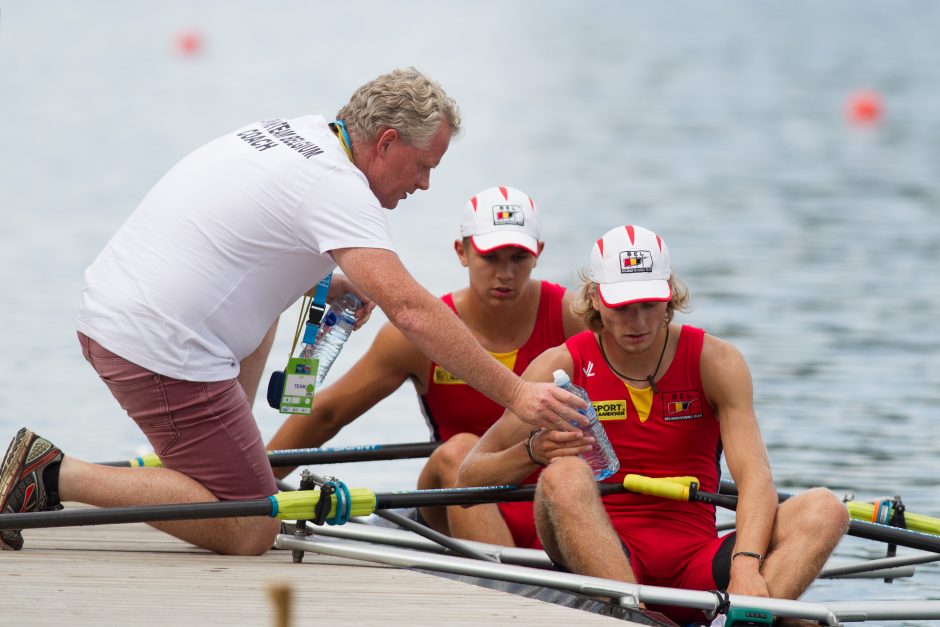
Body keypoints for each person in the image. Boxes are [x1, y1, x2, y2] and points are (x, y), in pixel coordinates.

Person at [0, 68, 587, 556]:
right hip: (156, 346)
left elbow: (259, 234)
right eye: (423, 165)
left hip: (117, 305)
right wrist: (516, 394)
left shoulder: (298, 133)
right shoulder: (340, 189)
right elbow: (410, 309)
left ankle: (228, 465)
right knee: (255, 526)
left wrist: (328, 282)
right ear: (385, 142)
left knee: (286, 310)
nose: (427, 184)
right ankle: (53, 474)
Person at [457, 224, 849, 623]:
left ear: (670, 294)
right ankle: (635, 613)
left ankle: (744, 617)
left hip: (697, 560)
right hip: (608, 554)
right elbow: (468, 478)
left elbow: (755, 479)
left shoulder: (717, 362)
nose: (637, 321)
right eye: (622, 306)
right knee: (563, 476)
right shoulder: (562, 365)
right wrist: (532, 452)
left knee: (826, 510)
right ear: (595, 298)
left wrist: (746, 567)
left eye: (648, 303)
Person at [267, 185, 586, 542]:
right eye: (491, 257)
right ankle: (515, 593)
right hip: (457, 498)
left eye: (518, 258)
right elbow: (328, 415)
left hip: (547, 494)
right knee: (460, 449)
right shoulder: (419, 334)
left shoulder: (573, 317)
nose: (505, 274)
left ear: (538, 254)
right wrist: (252, 487)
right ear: (461, 252)